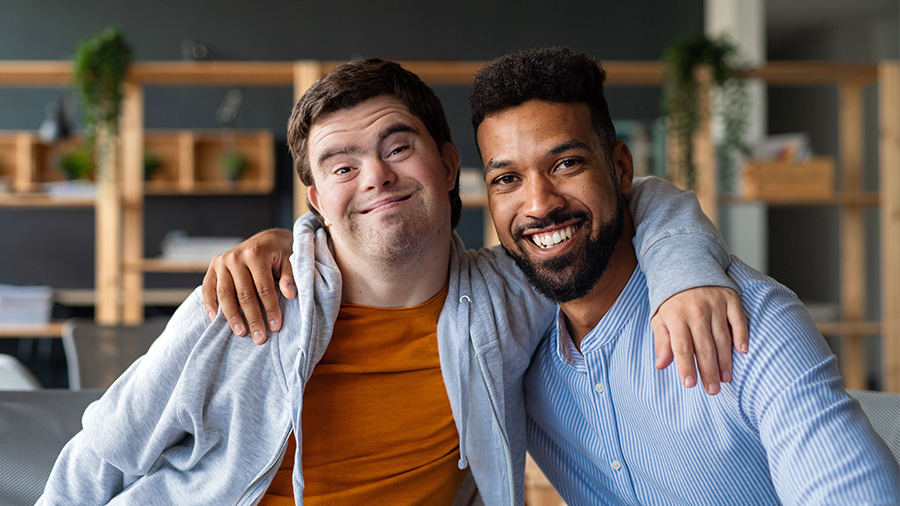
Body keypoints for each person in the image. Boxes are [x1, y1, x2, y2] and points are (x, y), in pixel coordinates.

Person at [39, 57, 745, 506]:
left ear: (445, 164)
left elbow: (634, 197)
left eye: (397, 147)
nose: (374, 175)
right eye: (342, 165)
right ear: (316, 199)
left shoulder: (512, 297)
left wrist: (685, 276)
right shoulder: (247, 301)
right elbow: (103, 455)